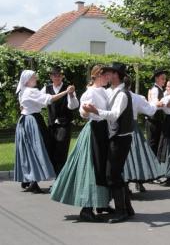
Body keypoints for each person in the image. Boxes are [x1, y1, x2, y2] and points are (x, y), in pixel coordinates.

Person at [50, 65, 113, 222]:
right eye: (106, 76)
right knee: (92, 168)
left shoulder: (104, 91)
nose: (109, 78)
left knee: (103, 166)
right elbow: (83, 113)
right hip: (94, 132)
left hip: (103, 130)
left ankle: (102, 203)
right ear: (98, 75)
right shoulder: (90, 92)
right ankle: (86, 208)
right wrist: (86, 111)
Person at [83, 62, 135, 223]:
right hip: (113, 136)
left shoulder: (122, 94)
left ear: (117, 75)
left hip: (120, 138)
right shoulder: (110, 91)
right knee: (113, 173)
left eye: (110, 73)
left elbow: (114, 115)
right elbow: (91, 95)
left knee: (112, 174)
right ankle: (127, 208)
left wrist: (95, 111)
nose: (107, 75)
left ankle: (122, 211)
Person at [14, 70, 74, 193]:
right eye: (33, 78)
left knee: (29, 151)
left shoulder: (23, 91)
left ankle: (32, 180)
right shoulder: (31, 91)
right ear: (27, 80)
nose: (36, 79)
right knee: (39, 149)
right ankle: (34, 180)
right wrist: (66, 92)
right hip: (32, 121)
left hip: (24, 120)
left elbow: (30, 105)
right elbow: (49, 99)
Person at [41, 67, 79, 175]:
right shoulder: (46, 88)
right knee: (51, 150)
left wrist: (71, 95)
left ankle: (60, 178)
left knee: (61, 150)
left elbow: (73, 106)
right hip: (52, 124)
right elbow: (40, 101)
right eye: (54, 75)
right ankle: (55, 177)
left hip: (64, 124)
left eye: (59, 75)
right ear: (51, 77)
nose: (57, 77)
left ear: (62, 76)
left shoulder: (68, 88)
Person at [123, 92, 163, 192]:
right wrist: (155, 105)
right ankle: (137, 182)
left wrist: (154, 105)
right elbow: (149, 110)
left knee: (129, 155)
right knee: (138, 154)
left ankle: (131, 183)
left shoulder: (115, 94)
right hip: (130, 127)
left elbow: (149, 109)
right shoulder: (137, 97)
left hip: (125, 127)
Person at [146, 69, 167, 155]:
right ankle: (152, 164)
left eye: (165, 79)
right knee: (153, 143)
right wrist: (165, 103)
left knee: (157, 142)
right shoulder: (155, 90)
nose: (164, 81)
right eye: (163, 78)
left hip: (157, 120)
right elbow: (155, 103)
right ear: (157, 78)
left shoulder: (160, 89)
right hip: (153, 120)